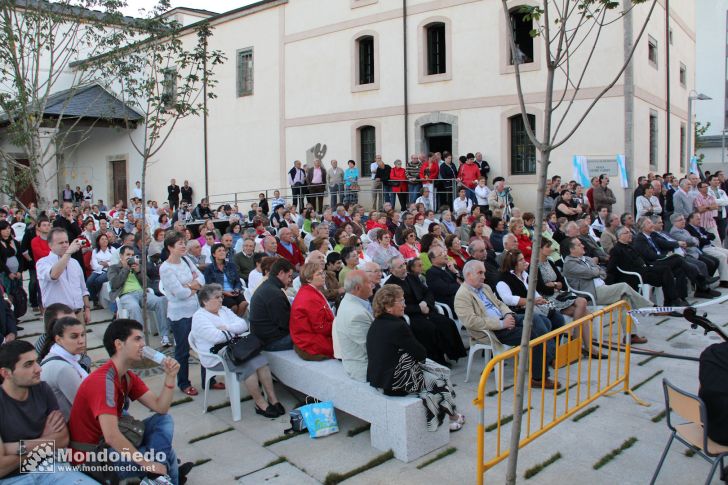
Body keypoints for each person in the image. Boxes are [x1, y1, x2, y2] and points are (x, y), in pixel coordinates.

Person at [68, 319, 193, 484]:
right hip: (96, 459)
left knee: (164, 420)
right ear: (119, 344)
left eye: (142, 338)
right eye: (137, 339)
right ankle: (162, 475)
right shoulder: (103, 382)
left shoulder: (126, 375)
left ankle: (160, 475)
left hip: (112, 447)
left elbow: (160, 407)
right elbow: (111, 436)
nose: (143, 344)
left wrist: (170, 377)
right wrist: (147, 463)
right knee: (166, 453)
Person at [366, 285, 464, 432]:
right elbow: (420, 353)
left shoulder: (377, 323)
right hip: (395, 383)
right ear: (388, 307)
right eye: (400, 301)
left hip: (380, 377)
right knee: (438, 382)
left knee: (439, 372)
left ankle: (451, 413)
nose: (404, 304)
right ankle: (447, 419)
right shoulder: (398, 325)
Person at [0, 340, 98, 484]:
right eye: (28, 365)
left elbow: (62, 439)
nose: (38, 369)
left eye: (36, 361)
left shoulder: (43, 389)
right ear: (6, 373)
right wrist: (45, 441)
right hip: (13, 479)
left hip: (50, 469)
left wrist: (18, 447)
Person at [454, 260, 559, 387]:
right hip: (493, 331)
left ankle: (546, 356)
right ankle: (539, 377)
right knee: (532, 335)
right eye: (480, 273)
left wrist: (508, 314)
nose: (484, 276)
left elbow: (499, 303)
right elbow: (472, 322)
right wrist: (502, 324)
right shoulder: (462, 295)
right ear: (469, 275)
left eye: (484, 273)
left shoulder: (484, 287)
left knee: (540, 319)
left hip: (505, 319)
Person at [191, 284, 284, 418]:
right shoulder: (199, 317)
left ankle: (273, 399)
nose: (221, 300)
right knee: (249, 365)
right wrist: (231, 331)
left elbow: (243, 324)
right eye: (216, 297)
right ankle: (260, 403)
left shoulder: (223, 310)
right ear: (205, 301)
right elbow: (216, 337)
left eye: (221, 296)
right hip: (216, 356)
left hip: (234, 348)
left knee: (261, 361)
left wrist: (226, 327)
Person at [561, 238, 650, 344]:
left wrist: (596, 271)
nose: (583, 246)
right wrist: (596, 271)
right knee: (623, 287)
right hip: (591, 294)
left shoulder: (587, 259)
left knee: (624, 300)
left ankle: (630, 335)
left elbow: (603, 272)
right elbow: (592, 273)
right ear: (572, 249)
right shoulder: (569, 264)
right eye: (579, 245)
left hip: (603, 290)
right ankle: (648, 307)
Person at [387, 256, 466, 366]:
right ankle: (437, 361)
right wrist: (419, 308)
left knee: (447, 322)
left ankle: (453, 353)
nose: (404, 268)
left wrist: (425, 304)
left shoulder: (412, 277)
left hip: (426, 309)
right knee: (429, 329)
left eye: (404, 264)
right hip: (411, 316)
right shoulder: (390, 285)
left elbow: (428, 292)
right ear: (391, 270)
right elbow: (396, 306)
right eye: (400, 267)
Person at [160, 232, 204, 396]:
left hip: (196, 309)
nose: (184, 246)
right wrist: (193, 287)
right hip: (180, 314)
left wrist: (189, 286)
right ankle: (184, 383)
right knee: (183, 350)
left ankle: (209, 380)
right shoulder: (165, 268)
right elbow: (179, 293)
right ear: (170, 247)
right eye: (180, 243)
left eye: (184, 243)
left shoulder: (186, 259)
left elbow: (202, 278)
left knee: (203, 344)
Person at [607, 228, 685, 307]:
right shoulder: (616, 250)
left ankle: (670, 302)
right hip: (633, 275)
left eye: (630, 232)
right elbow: (611, 268)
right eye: (627, 232)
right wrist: (610, 283)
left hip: (644, 270)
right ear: (620, 236)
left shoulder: (630, 246)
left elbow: (641, 260)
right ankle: (673, 300)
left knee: (666, 272)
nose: (630, 234)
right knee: (665, 271)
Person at [109, 245, 171, 344]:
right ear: (121, 256)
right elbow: (114, 284)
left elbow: (147, 283)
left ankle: (165, 335)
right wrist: (125, 269)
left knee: (160, 301)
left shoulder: (137, 266)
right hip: (126, 295)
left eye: (132, 255)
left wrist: (138, 272)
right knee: (134, 307)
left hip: (141, 293)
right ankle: (140, 339)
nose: (130, 257)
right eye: (127, 255)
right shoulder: (114, 268)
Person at [496, 249, 566, 332]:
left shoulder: (525, 274)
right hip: (515, 311)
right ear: (514, 263)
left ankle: (554, 343)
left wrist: (539, 299)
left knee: (559, 319)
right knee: (546, 323)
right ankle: (546, 344)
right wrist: (532, 301)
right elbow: (508, 299)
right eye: (521, 260)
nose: (524, 261)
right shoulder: (502, 279)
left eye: (523, 258)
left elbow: (533, 291)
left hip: (530, 307)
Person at [36, 228, 91, 323]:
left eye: (66, 242)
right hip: (58, 317)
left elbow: (83, 289)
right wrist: (68, 252)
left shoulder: (74, 263)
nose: (65, 245)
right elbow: (54, 275)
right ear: (50, 245)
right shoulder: (43, 263)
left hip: (78, 313)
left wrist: (87, 309)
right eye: (61, 243)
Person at [37, 316, 87, 420]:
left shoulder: (59, 357)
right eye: (74, 336)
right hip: (69, 429)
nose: (81, 341)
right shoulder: (62, 368)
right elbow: (86, 406)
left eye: (83, 335)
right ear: (58, 339)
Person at [333, 270, 374, 381]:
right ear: (357, 288)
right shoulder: (357, 314)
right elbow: (372, 348)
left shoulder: (348, 301)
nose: (372, 285)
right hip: (366, 369)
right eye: (369, 282)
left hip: (362, 362)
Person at [289, 263, 335, 360]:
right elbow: (321, 327)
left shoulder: (309, 291)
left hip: (308, 336)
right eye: (319, 274)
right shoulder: (310, 297)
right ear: (309, 279)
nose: (323, 276)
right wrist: (339, 327)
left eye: (323, 273)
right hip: (308, 341)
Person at [249, 258, 295, 351]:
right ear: (281, 273)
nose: (290, 280)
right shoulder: (273, 293)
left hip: (265, 337)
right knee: (311, 336)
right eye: (289, 276)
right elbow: (285, 323)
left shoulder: (269, 285)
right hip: (271, 341)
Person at [204, 243, 247, 317]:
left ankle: (237, 321)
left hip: (233, 291)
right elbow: (210, 287)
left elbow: (238, 281)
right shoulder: (209, 268)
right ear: (214, 254)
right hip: (220, 294)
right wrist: (224, 292)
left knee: (244, 303)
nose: (222, 252)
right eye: (219, 251)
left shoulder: (231, 266)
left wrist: (237, 289)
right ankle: (231, 323)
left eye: (223, 250)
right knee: (234, 307)